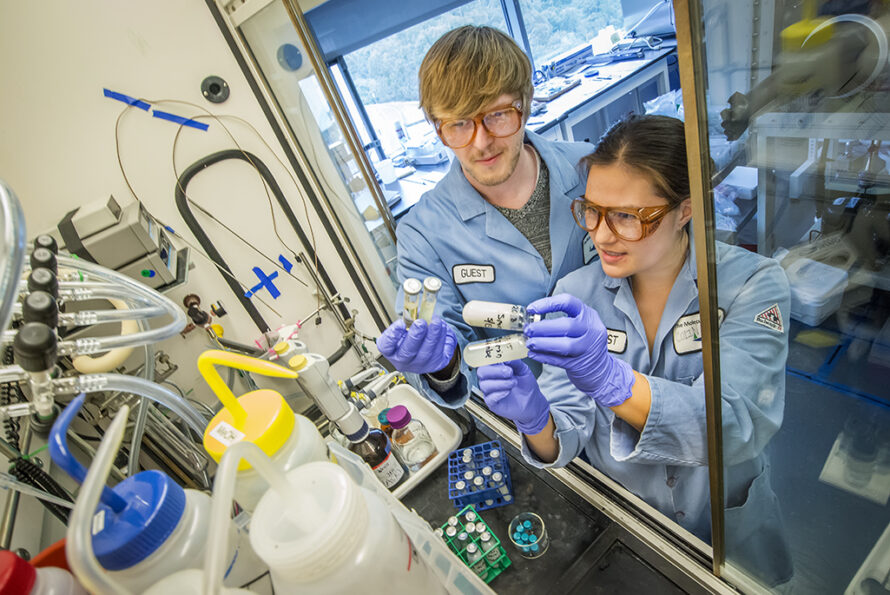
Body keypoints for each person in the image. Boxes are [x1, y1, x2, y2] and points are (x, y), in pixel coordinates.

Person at [477, 115, 794, 586]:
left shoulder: (751, 284)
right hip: (631, 525)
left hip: (723, 521)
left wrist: (612, 381)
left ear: (684, 210)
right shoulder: (577, 292)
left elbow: (736, 423)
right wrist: (535, 419)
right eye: (592, 210)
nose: (601, 234)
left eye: (626, 216)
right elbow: (569, 425)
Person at [376, 26, 597, 408]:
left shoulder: (590, 169)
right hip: (534, 418)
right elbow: (446, 355)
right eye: (459, 124)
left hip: (629, 379)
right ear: (437, 127)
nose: (481, 142)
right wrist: (442, 366)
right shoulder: (423, 232)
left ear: (525, 104)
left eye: (497, 115)